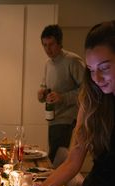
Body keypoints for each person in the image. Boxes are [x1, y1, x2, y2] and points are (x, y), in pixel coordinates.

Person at [30, 21, 115, 186]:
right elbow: (72, 161)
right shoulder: (92, 100)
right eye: (91, 70)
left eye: (105, 68)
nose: (97, 78)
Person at [38, 24, 85, 162]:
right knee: (54, 159)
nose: (48, 49)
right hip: (53, 119)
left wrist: (63, 97)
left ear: (59, 43)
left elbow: (87, 90)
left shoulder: (73, 61)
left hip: (69, 119)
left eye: (51, 44)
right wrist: (41, 94)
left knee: (58, 160)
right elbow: (44, 86)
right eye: (44, 45)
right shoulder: (48, 63)